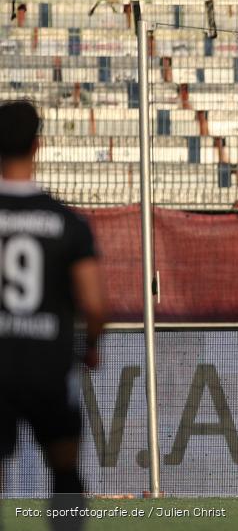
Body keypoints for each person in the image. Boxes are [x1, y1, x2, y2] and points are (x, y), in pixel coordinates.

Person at [0, 100, 106, 530]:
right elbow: (95, 306)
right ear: (37, 146)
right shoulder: (68, 223)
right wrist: (89, 348)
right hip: (47, 366)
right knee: (64, 472)